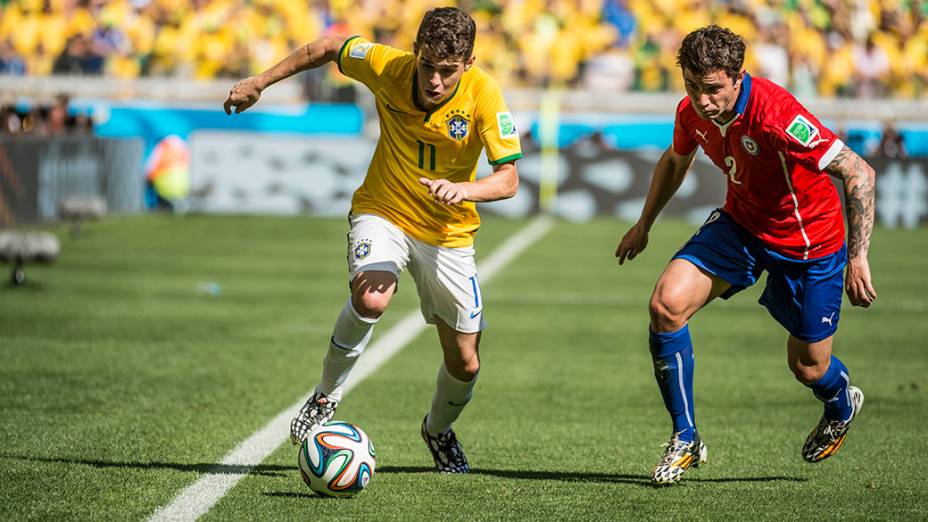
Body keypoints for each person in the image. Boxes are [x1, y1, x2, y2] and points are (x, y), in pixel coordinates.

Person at [223, 7, 522, 473]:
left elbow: (508, 179)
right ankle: (326, 395)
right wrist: (261, 81)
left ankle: (437, 430)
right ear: (415, 54)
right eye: (428, 66)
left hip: (447, 231)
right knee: (373, 296)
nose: (436, 81)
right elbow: (325, 47)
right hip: (383, 209)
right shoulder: (387, 65)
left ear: (468, 63)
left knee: (465, 364)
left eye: (448, 71)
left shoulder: (485, 93)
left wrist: (465, 189)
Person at [615, 25, 877, 486]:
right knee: (666, 305)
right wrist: (645, 224)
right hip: (742, 227)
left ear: (738, 78)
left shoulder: (777, 114)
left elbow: (858, 171)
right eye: (692, 87)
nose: (702, 100)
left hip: (809, 245)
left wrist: (858, 258)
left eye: (713, 89)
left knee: (808, 366)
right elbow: (676, 161)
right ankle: (685, 438)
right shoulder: (692, 111)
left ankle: (841, 402)